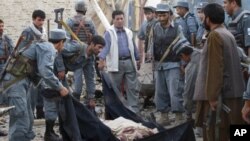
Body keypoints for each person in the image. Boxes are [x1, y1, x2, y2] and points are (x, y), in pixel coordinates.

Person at [194, 3, 245, 141]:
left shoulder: (215, 36)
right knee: (236, 133)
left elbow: (215, 68)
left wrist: (212, 96)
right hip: (232, 94)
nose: (202, 19)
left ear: (208, 19)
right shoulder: (227, 33)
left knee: (216, 134)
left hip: (221, 98)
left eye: (203, 17)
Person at [149, 3, 185, 125]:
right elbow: (151, 44)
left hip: (173, 64)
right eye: (159, 14)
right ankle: (164, 116)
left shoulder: (177, 28)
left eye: (163, 14)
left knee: (175, 91)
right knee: (160, 92)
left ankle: (179, 116)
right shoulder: (155, 28)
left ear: (169, 14)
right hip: (159, 65)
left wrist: (183, 64)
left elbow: (183, 45)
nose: (161, 17)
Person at [98, 10, 140, 113]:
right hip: (116, 64)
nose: (120, 21)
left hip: (129, 62)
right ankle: (115, 111)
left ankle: (133, 111)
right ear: (113, 20)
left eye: (122, 18)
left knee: (132, 88)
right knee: (114, 89)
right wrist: (101, 59)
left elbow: (133, 46)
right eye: (117, 19)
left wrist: (137, 58)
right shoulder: (109, 32)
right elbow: (106, 47)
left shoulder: (128, 32)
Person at [66, 0, 97, 108]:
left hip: (76, 55)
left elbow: (66, 39)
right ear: (85, 9)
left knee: (77, 78)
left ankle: (76, 101)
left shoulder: (70, 21)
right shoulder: (90, 22)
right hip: (89, 54)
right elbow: (95, 37)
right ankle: (91, 100)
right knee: (90, 77)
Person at [0, 19, 14, 137]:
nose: (1, 28)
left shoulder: (6, 40)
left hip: (5, 70)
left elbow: (13, 53)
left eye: (2, 26)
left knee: (4, 100)